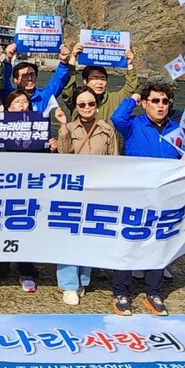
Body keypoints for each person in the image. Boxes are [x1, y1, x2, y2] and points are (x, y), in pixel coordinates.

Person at [109, 82, 185, 317]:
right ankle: (120, 292)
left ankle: (153, 292)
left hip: (164, 197)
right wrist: (133, 99)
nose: (160, 106)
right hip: (135, 195)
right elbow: (117, 118)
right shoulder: (134, 124)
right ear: (146, 103)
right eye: (155, 101)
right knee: (128, 242)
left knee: (159, 243)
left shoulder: (175, 129)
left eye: (165, 102)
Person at [0, 89, 54, 292]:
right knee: (0, 227)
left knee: (26, 227)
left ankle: (26, 271)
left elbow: (47, 156)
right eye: (17, 103)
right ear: (8, 108)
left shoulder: (40, 125)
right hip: (4, 187)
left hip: (30, 186)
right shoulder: (1, 126)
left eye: (25, 102)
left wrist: (52, 145)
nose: (22, 106)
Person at [54, 86, 118, 305]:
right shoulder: (69, 128)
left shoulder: (107, 130)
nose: (87, 107)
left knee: (89, 234)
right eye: (82, 104)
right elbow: (62, 155)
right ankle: (68, 284)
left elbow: (114, 160)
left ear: (97, 105)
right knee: (69, 236)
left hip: (98, 189)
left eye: (91, 103)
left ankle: (83, 278)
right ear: (76, 107)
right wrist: (62, 127)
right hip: (73, 189)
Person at [60, 44, 138, 124]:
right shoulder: (77, 98)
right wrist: (73, 57)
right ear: (85, 81)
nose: (99, 82)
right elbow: (68, 87)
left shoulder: (113, 99)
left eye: (103, 78)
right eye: (94, 78)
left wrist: (130, 64)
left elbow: (130, 89)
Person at [1, 42, 72, 112]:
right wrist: (7, 58)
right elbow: (3, 79)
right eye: (25, 76)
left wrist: (63, 62)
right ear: (15, 80)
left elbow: (57, 81)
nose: (29, 78)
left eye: (32, 75)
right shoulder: (10, 95)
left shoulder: (43, 96)